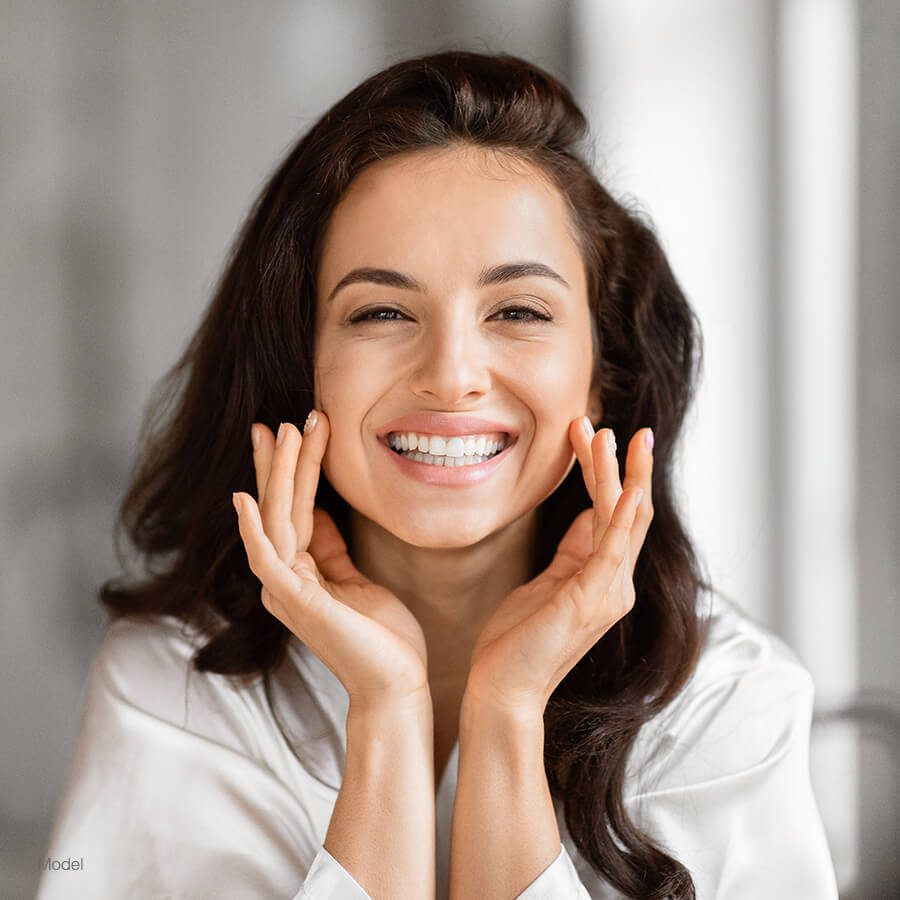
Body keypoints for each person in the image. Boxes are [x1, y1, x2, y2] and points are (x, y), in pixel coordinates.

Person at [36, 50, 839, 899]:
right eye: (381, 311)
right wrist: (385, 711)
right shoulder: (171, 690)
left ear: (604, 376)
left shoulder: (725, 704)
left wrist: (506, 713)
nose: (451, 374)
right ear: (298, 367)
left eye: (519, 312)